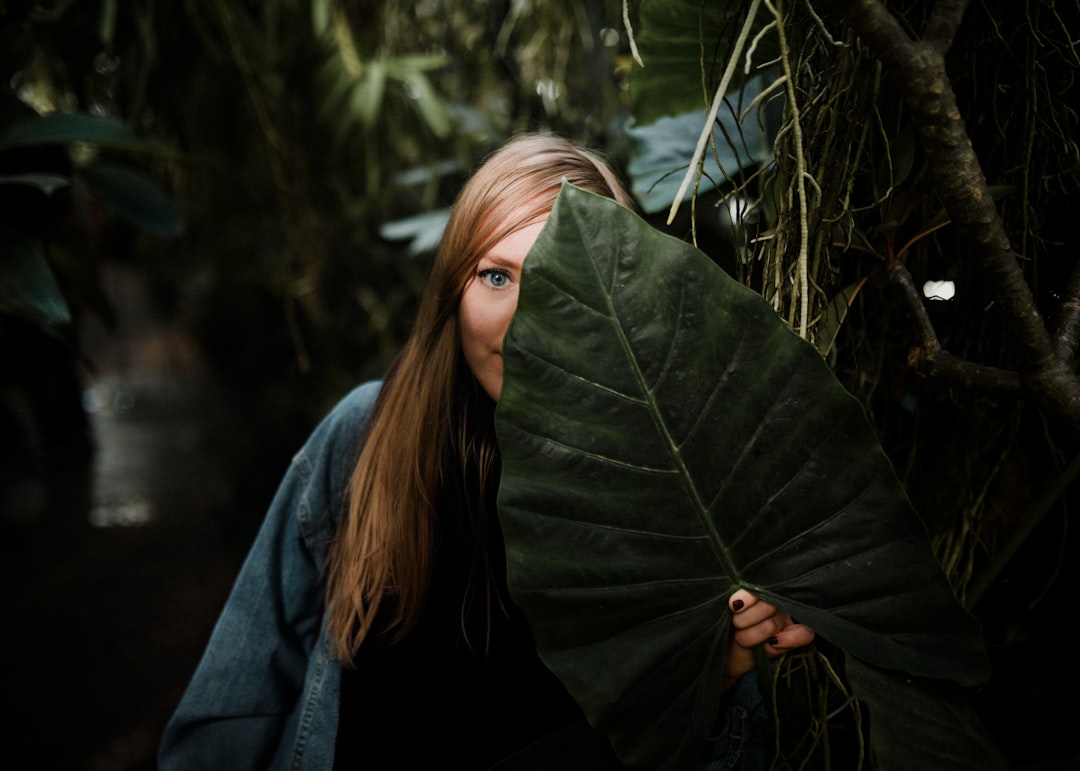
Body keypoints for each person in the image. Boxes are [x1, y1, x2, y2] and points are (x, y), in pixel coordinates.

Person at [158, 133, 815, 771]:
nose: (524, 319)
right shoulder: (366, 439)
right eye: (496, 275)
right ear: (454, 293)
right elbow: (226, 717)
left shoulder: (673, 484)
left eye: (565, 279)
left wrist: (713, 677)